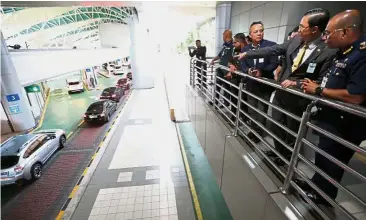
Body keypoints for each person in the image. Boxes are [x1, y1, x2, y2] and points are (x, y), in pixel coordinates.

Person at [236, 8, 337, 165]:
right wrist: (248, 54)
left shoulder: (328, 52)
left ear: (315, 29)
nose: (299, 30)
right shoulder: (296, 40)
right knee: (276, 126)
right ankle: (279, 152)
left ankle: (288, 161)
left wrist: (296, 83)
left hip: (298, 99)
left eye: (303, 27)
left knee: (292, 132)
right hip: (281, 94)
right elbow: (273, 50)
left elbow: (320, 80)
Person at [301, 9, 366, 205]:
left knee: (332, 162)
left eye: (328, 33)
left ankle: (323, 197)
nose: (325, 37)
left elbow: (356, 96)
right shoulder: (343, 52)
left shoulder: (361, 56)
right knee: (323, 157)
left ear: (345, 32)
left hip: (345, 124)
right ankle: (315, 186)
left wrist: (319, 90)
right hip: (331, 118)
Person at [239, 21, 279, 143]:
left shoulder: (270, 46)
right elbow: (243, 64)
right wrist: (248, 70)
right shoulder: (246, 48)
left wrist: (262, 72)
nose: (259, 33)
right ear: (250, 35)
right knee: (252, 109)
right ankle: (253, 129)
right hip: (251, 84)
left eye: (261, 31)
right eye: (256, 31)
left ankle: (258, 132)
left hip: (264, 84)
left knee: (261, 110)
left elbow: (274, 63)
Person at [210, 30, 234, 109]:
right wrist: (213, 60)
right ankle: (215, 101)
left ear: (227, 36)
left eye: (223, 35)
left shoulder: (232, 46)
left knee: (226, 88)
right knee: (217, 86)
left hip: (226, 71)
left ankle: (226, 103)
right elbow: (220, 55)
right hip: (220, 70)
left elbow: (232, 59)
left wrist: (229, 71)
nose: (222, 37)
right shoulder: (225, 45)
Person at [228, 33, 248, 120]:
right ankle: (234, 115)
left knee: (243, 100)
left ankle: (244, 118)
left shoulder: (248, 50)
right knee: (234, 98)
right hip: (234, 78)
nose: (233, 44)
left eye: (235, 42)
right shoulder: (234, 50)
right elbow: (229, 61)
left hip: (244, 80)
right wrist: (231, 66)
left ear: (240, 42)